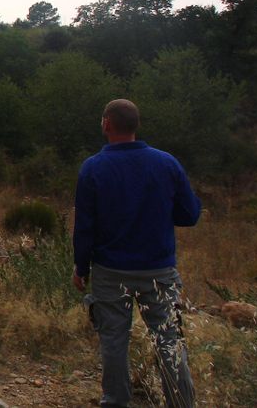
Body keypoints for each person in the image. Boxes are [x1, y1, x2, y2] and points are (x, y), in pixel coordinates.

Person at [73, 99, 201, 408]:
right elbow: (190, 214)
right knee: (168, 339)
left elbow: (84, 226)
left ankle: (115, 401)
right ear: (136, 125)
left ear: (106, 124)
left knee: (114, 339)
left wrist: (81, 266)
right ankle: (181, 403)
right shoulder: (166, 163)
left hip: (110, 270)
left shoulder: (93, 167)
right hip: (158, 270)